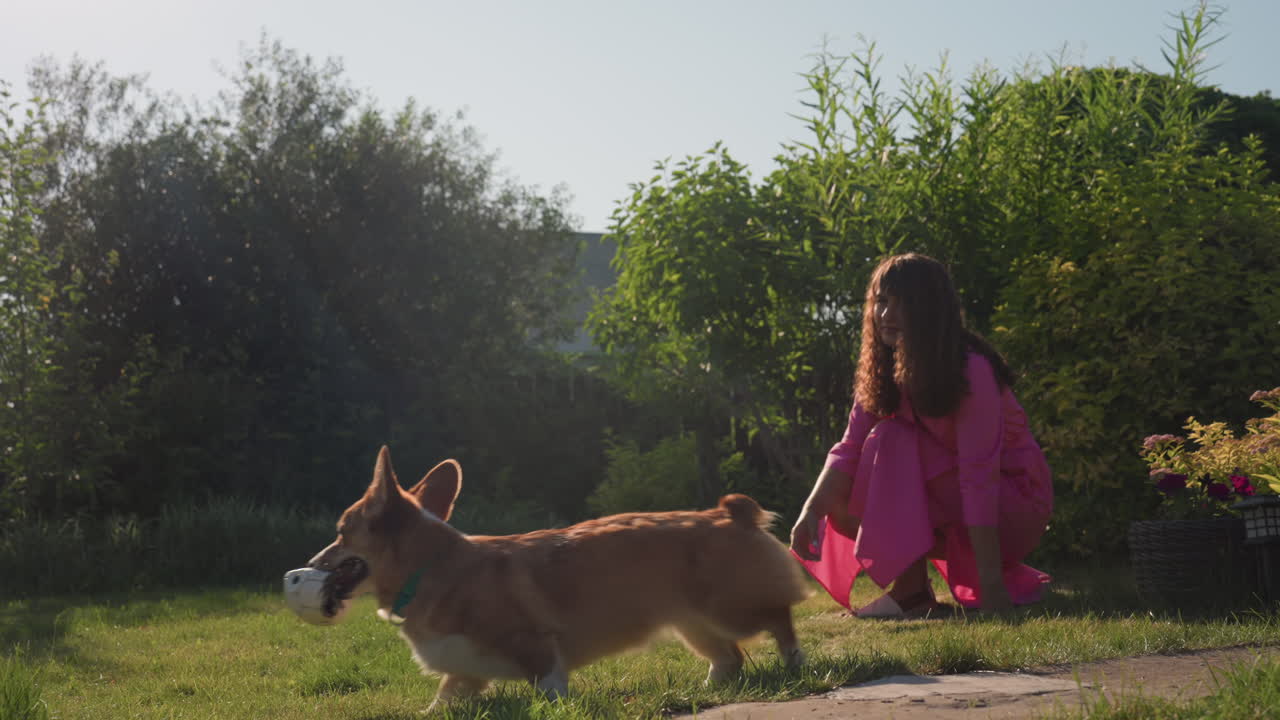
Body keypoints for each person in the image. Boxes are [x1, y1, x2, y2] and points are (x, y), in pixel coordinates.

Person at [789, 253, 1053, 617]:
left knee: (890, 438)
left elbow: (979, 477)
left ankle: (917, 589)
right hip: (954, 498)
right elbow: (848, 448)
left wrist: (992, 587)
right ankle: (912, 593)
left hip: (1012, 503)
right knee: (840, 496)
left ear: (930, 310)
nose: (886, 315)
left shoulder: (970, 369)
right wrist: (809, 511)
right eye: (881, 302)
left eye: (903, 304)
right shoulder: (884, 369)